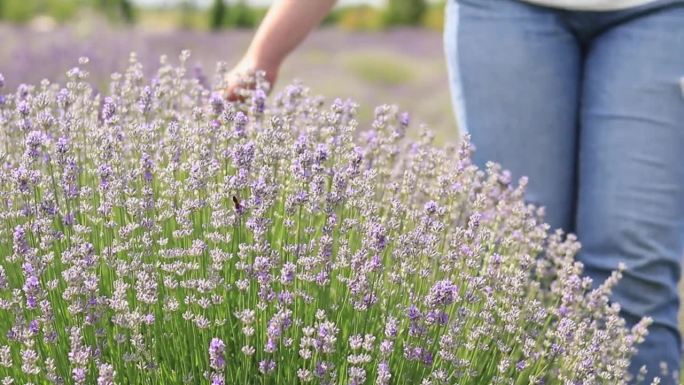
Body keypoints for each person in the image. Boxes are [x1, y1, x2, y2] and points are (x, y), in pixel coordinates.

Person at [227, 1, 684, 383]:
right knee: (518, 275)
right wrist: (265, 52)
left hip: (661, 12)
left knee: (634, 276)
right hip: (504, 12)